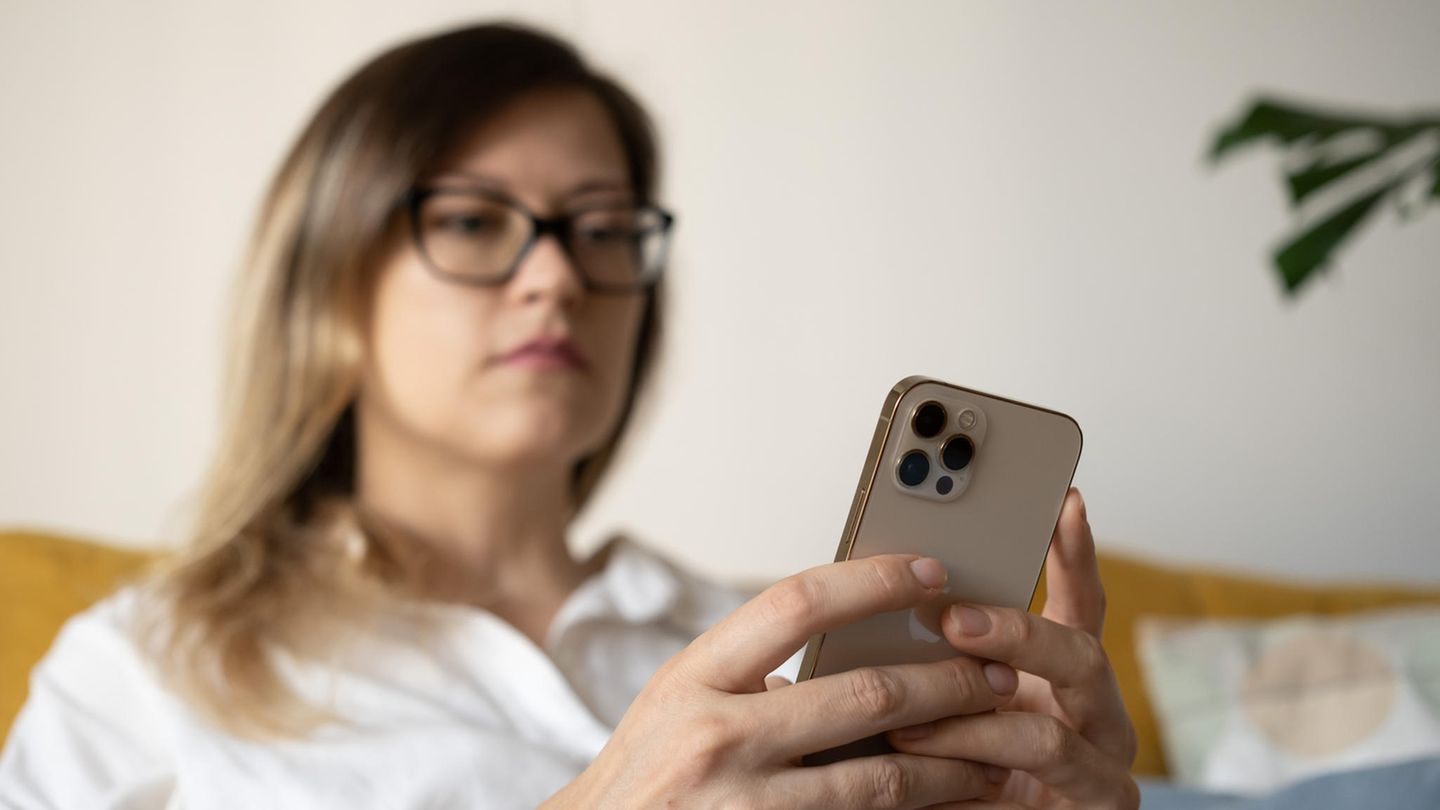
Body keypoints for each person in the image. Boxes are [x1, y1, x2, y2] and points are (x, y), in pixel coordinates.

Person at [0, 22, 1138, 809]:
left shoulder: (782, 658)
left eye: (602, 231)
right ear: (331, 280)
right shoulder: (142, 670)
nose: (556, 279)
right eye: (473, 222)